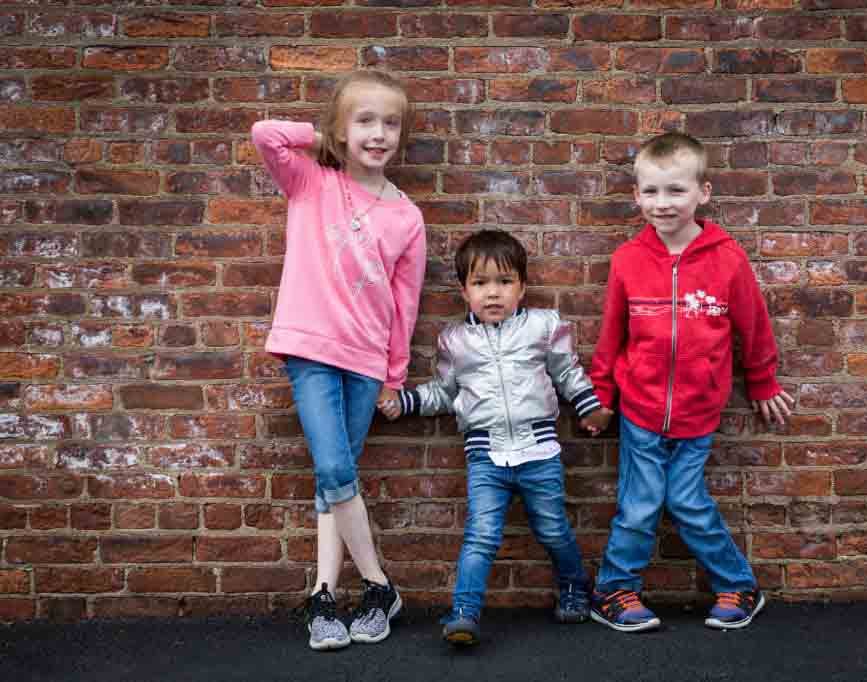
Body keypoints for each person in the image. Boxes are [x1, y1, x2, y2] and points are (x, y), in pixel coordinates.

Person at [586, 132, 795, 633]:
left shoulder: (728, 258)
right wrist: (601, 395)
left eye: (676, 191)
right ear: (636, 196)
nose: (663, 204)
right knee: (637, 506)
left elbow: (754, 326)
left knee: (686, 502)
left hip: (699, 414)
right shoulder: (627, 262)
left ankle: (739, 586)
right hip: (640, 410)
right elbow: (612, 336)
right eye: (652, 192)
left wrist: (763, 382)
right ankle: (615, 591)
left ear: (703, 191)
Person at [251, 70, 426, 650]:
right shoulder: (310, 180)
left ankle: (324, 595)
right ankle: (379, 584)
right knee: (332, 469)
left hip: (367, 361)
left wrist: (394, 376)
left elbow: (405, 304)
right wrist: (322, 133)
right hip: (310, 351)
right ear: (343, 128)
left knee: (338, 479)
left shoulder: (406, 216)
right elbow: (265, 135)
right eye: (365, 121)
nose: (379, 134)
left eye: (391, 123)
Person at [379, 230, 608, 646]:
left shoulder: (543, 326)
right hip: (486, 457)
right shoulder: (455, 341)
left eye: (504, 282)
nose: (493, 293)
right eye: (480, 283)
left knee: (554, 529)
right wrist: (405, 402)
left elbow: (568, 373)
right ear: (464, 291)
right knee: (481, 535)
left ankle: (576, 587)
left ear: (522, 286)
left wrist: (590, 405)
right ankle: (465, 612)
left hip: (539, 451)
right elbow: (443, 392)